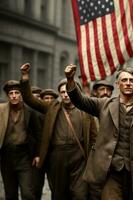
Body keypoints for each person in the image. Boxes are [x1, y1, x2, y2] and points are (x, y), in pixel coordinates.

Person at [65, 64, 133, 200]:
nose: (128, 84)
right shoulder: (104, 104)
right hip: (111, 171)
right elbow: (80, 101)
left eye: (131, 81)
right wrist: (70, 80)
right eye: (124, 80)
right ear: (117, 84)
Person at [19, 63, 97, 200]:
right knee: (59, 194)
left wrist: (93, 158)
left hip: (79, 156)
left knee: (80, 195)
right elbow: (30, 99)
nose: (65, 95)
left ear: (75, 91)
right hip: (58, 156)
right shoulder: (52, 107)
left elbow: (94, 136)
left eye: (68, 91)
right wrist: (25, 77)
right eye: (62, 92)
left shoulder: (86, 110)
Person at [0, 80, 41, 200]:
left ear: (21, 94)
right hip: (6, 156)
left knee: (27, 193)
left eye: (16, 92)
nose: (13, 95)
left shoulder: (29, 111)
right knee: (10, 194)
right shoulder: (1, 110)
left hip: (24, 156)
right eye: (11, 93)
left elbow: (38, 133)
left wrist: (38, 154)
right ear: (8, 95)